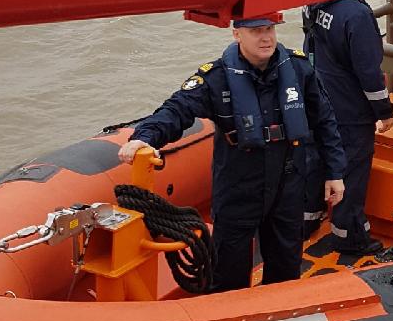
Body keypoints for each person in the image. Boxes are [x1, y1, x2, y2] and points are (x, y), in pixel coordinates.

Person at [119, 15, 345, 291]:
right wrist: (144, 137)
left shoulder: (298, 69)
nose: (266, 37)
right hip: (238, 185)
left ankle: (279, 312)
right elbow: (177, 110)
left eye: (270, 29)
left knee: (286, 267)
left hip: (287, 183)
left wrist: (335, 172)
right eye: (256, 31)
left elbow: (324, 120)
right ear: (237, 34)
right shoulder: (216, 78)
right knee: (229, 272)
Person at [304, 0, 393, 255]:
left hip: (318, 98)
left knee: (316, 159)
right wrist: (384, 111)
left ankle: (306, 220)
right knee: (351, 169)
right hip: (349, 109)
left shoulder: (314, 1)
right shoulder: (356, 15)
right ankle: (349, 236)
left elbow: (310, 47)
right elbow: (368, 72)